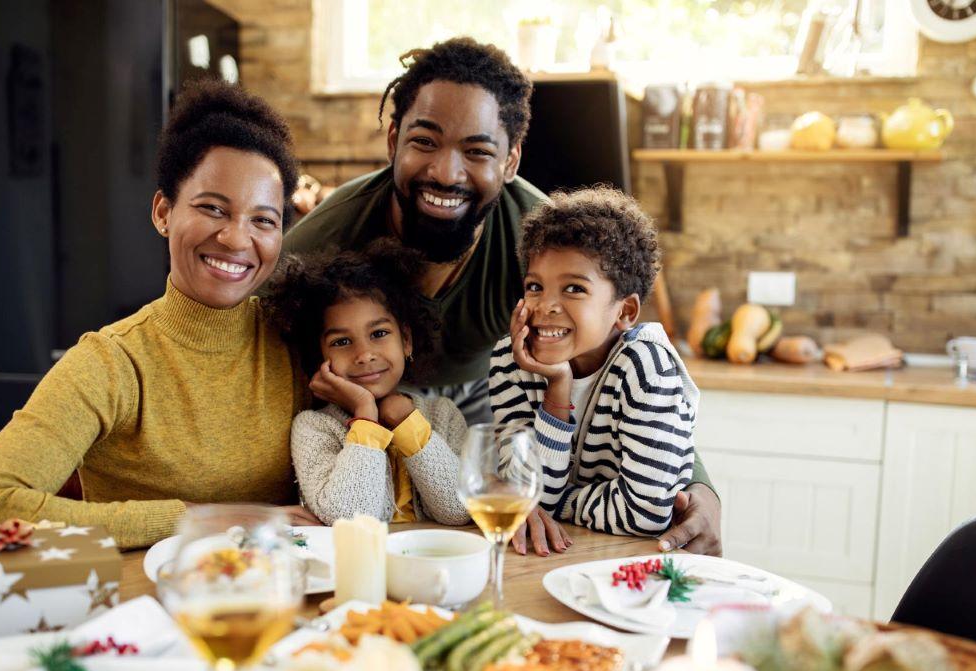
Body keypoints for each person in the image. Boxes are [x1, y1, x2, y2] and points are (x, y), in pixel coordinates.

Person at [282, 37, 722, 557]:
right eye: (424, 141)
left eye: (477, 151)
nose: (446, 172)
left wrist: (698, 483)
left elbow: (626, 359)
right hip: (350, 403)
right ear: (393, 139)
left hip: (489, 397)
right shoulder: (326, 237)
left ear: (511, 160)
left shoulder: (538, 241)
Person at [0, 79, 315, 549]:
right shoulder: (111, 363)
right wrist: (200, 521)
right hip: (143, 610)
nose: (238, 240)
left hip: (281, 608)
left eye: (263, 220)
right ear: (163, 212)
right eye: (213, 209)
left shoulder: (299, 340)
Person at [489, 187, 697, 535]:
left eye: (574, 289)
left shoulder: (647, 371)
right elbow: (526, 499)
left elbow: (644, 515)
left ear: (625, 311)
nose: (545, 306)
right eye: (535, 286)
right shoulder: (511, 362)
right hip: (557, 555)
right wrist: (558, 388)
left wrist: (561, 502)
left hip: (630, 564)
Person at [265, 241, 469, 526]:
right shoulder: (314, 428)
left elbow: (460, 509)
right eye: (342, 342)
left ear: (406, 341)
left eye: (379, 333)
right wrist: (365, 414)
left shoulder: (442, 415)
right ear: (319, 355)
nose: (364, 355)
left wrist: (405, 420)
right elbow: (350, 518)